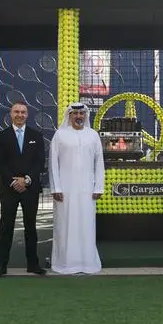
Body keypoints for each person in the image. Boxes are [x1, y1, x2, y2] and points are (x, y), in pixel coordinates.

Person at [0, 101, 46, 277]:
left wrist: (27, 180)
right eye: (17, 112)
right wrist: (14, 181)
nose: (20, 115)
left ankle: (33, 264)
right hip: (9, 188)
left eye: (23, 112)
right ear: (11, 114)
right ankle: (1, 265)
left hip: (30, 188)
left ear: (27, 115)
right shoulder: (1, 136)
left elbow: (39, 162)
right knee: (6, 226)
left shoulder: (36, 136)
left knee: (31, 227)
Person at [49, 102, 105, 275]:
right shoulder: (60, 135)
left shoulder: (93, 135)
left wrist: (98, 187)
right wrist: (56, 187)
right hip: (65, 190)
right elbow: (53, 163)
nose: (78, 116)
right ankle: (65, 263)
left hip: (87, 190)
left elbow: (99, 163)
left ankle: (87, 262)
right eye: (75, 113)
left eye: (81, 114)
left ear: (85, 115)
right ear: (70, 115)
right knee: (65, 225)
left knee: (86, 225)